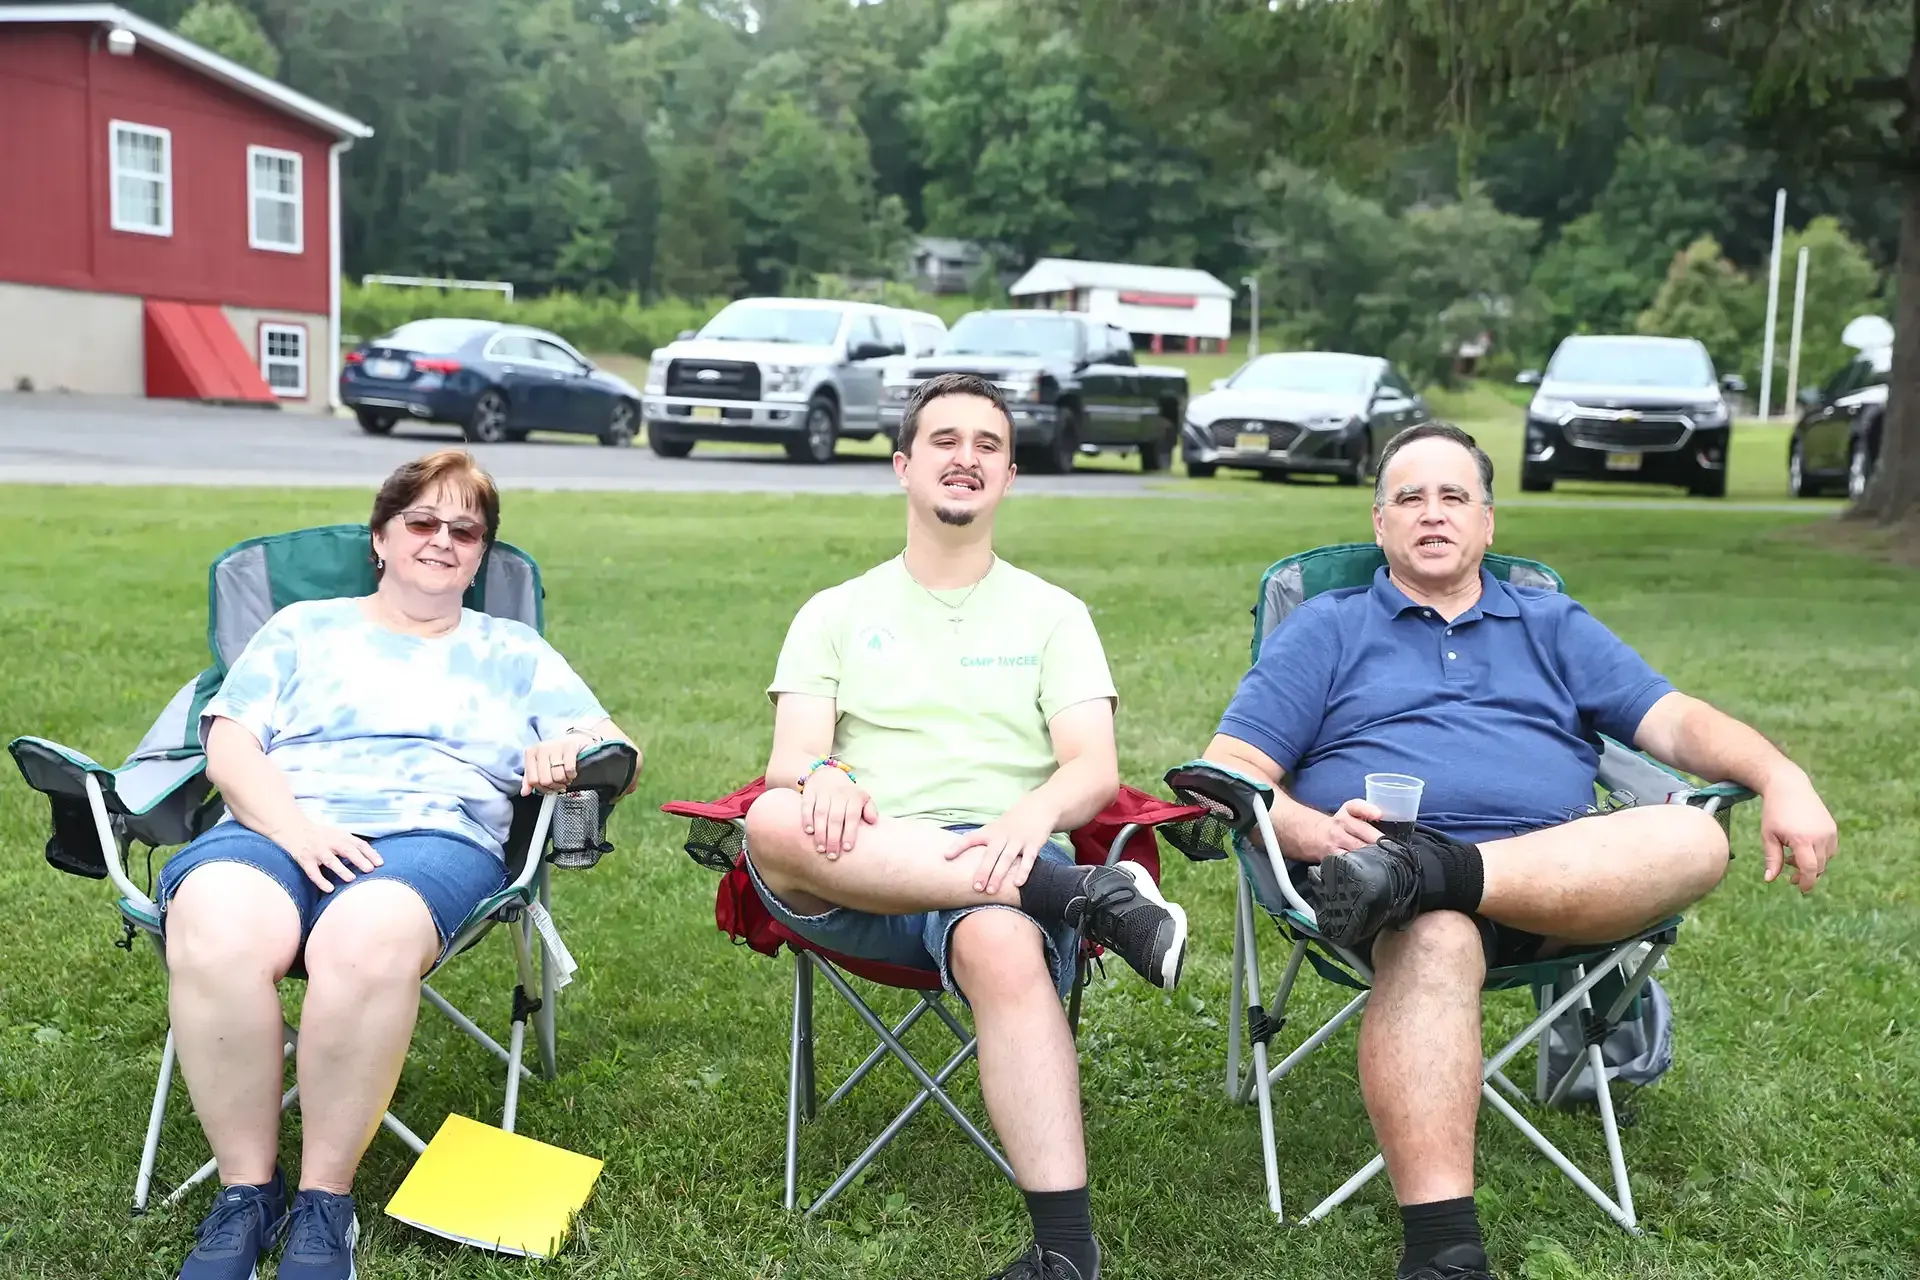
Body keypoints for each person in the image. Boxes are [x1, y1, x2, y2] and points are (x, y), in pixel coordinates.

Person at [1201, 422, 1838, 1280]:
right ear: (1380, 524)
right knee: (1435, 930)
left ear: (1488, 525)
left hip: (1562, 889)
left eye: (1454, 496)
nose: (1433, 514)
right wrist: (1316, 832)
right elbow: (1226, 772)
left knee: (1694, 833)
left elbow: (1677, 721)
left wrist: (1781, 774)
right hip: (1372, 897)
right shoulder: (1326, 628)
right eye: (1410, 498)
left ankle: (1431, 873)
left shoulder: (1550, 622)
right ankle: (1444, 1254)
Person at [741, 373, 1187, 1280]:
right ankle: (1083, 898)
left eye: (987, 444)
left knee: (1001, 946)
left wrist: (1029, 815)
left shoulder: (1053, 614)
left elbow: (1092, 767)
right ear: (903, 467)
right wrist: (824, 776)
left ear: (1010, 476)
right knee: (770, 815)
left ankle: (1066, 1256)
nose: (965, 458)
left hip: (1007, 849)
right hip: (861, 864)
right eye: (944, 441)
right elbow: (794, 757)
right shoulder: (835, 611)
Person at [159, 449, 639, 1280]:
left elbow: (615, 750)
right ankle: (246, 1192)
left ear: (482, 553)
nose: (442, 540)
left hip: (430, 837)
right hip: (278, 822)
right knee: (213, 928)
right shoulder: (303, 628)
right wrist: (299, 831)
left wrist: (571, 746)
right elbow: (229, 745)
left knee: (365, 940)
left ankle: (323, 1204)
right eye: (422, 521)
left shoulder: (513, 649)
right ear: (381, 537)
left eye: (466, 530)